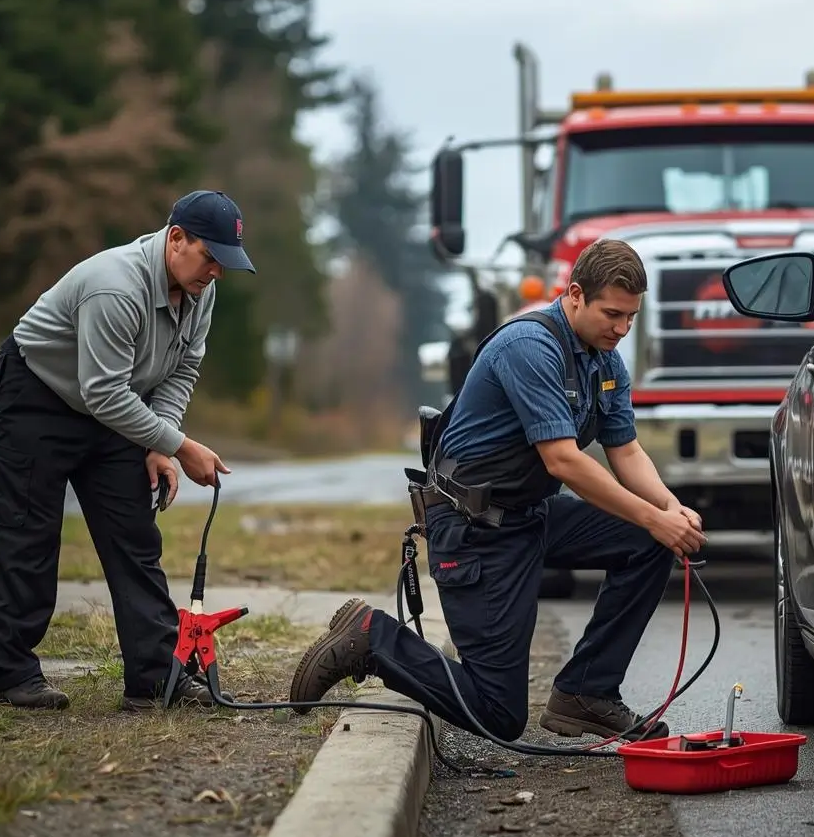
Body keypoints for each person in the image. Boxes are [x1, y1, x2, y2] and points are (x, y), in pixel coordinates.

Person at [289, 238, 706, 742]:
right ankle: (372, 638)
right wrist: (651, 516)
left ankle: (586, 694)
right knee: (497, 714)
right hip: (473, 530)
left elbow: (627, 452)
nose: (621, 329)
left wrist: (669, 509)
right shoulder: (530, 348)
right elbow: (564, 460)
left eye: (631, 318)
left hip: (530, 513)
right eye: (612, 314)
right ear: (575, 294)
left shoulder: (605, 362)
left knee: (648, 541)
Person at [0, 190, 250, 712]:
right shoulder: (115, 287)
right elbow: (100, 391)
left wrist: (160, 440)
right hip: (38, 395)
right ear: (176, 239)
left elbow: (182, 368)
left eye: (224, 263)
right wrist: (181, 446)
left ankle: (152, 677)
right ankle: (8, 674)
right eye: (209, 257)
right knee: (26, 531)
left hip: (114, 404)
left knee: (134, 536)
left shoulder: (200, 291)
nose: (216, 272)